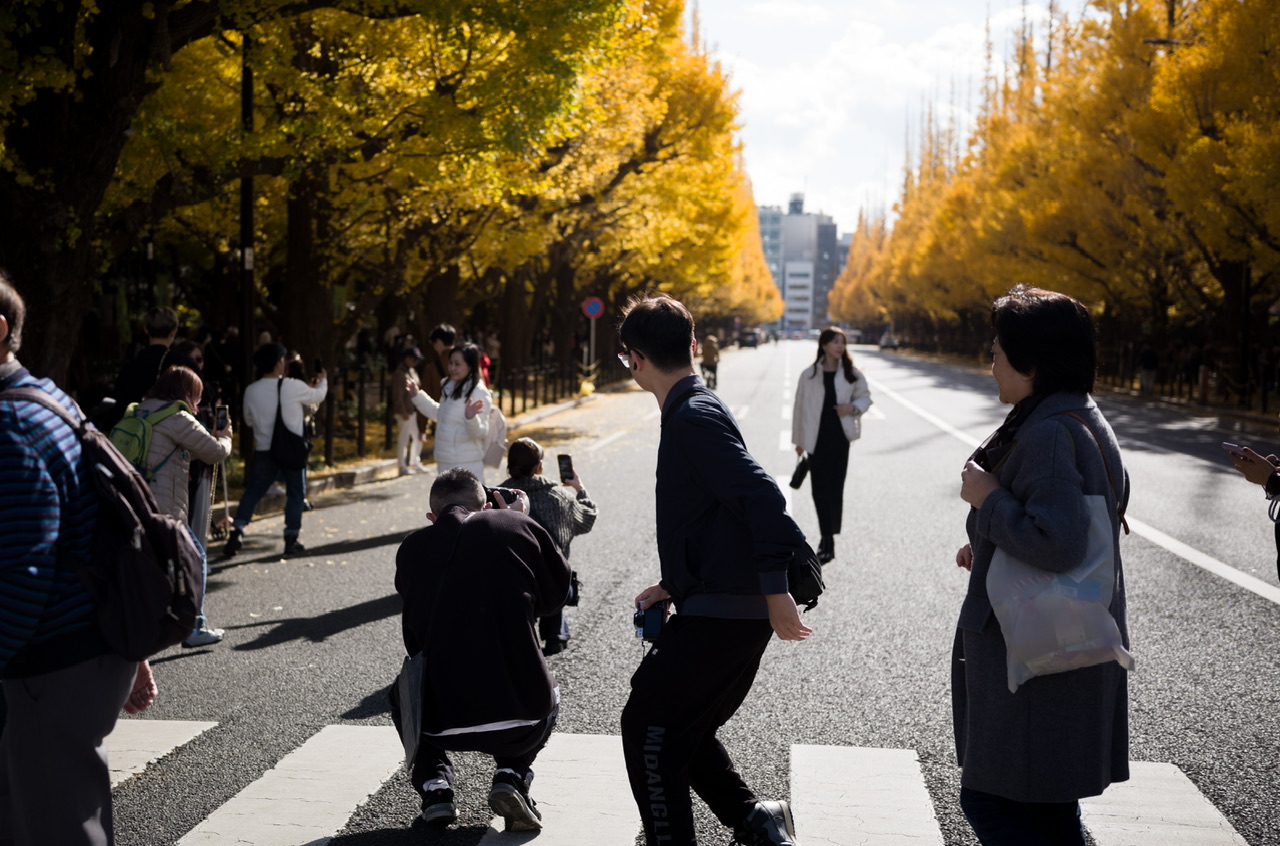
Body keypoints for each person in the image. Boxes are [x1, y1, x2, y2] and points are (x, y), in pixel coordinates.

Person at [616, 294, 811, 846]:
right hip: (721, 601)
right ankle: (755, 820)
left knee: (649, 729)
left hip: (732, 609)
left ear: (634, 359)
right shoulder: (695, 406)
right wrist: (674, 585)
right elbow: (712, 513)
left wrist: (776, 592)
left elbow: (763, 499)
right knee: (681, 726)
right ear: (695, 345)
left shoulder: (693, 417)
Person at [953, 285, 1130, 846]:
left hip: (1031, 661)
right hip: (1056, 647)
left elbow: (1058, 543)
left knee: (994, 800)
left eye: (1000, 350)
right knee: (1047, 807)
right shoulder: (1079, 413)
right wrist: (989, 541)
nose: (992, 361)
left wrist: (989, 502)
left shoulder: (1050, 431)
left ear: (1031, 362)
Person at [0, 274, 158, 846]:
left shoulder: (10, 424)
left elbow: (22, 570)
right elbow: (100, 528)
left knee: (55, 828)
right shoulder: (49, 398)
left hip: (50, 655)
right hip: (83, 645)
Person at [391, 468, 570, 831]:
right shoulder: (515, 526)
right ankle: (511, 773)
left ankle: (435, 788)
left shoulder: (411, 547)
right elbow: (555, 598)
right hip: (521, 716)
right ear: (487, 505)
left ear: (432, 516)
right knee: (550, 689)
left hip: (438, 724)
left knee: (400, 692)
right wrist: (518, 520)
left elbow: (413, 638)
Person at [135, 365, 233, 647]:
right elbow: (214, 453)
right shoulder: (177, 417)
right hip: (164, 505)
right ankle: (193, 627)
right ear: (186, 393)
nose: (198, 403)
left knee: (148, 566)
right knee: (196, 559)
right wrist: (225, 435)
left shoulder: (140, 410)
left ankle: (143, 624)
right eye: (197, 397)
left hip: (135, 500)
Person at [223, 343, 328, 558]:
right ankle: (291, 538)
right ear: (279, 362)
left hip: (264, 451)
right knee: (295, 494)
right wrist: (323, 380)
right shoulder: (290, 386)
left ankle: (238, 530)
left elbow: (249, 421)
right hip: (292, 450)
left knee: (253, 492)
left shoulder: (251, 390)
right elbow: (317, 396)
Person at [500, 437, 597, 656]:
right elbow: (587, 519)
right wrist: (580, 489)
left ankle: (523, 639)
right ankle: (555, 636)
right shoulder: (559, 496)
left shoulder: (498, 496)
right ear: (539, 466)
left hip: (510, 578)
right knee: (554, 565)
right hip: (553, 582)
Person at [791, 327, 873, 563]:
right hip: (815, 440)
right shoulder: (808, 375)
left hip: (839, 439)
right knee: (819, 490)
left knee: (834, 489)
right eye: (835, 342)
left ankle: (829, 540)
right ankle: (826, 536)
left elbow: (866, 397)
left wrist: (852, 407)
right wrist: (799, 441)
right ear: (824, 344)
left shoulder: (851, 373)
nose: (840, 346)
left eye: (843, 343)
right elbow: (799, 408)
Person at [405, 342, 492, 478]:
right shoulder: (449, 387)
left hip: (467, 466)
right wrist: (417, 396)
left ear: (470, 366)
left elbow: (480, 433)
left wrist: (470, 418)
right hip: (445, 462)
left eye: (457, 364)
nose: (452, 368)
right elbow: (439, 414)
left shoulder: (478, 392)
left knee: (466, 500)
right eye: (450, 363)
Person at [111, 305, 180, 424]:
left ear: (146, 329)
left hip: (134, 433)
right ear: (174, 331)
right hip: (174, 433)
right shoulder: (183, 365)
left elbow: (118, 407)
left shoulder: (129, 367)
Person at [393, 347, 429, 475]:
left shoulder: (412, 371)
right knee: (403, 439)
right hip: (405, 412)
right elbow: (397, 394)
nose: (415, 362)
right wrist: (402, 410)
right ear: (407, 358)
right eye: (414, 359)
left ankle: (414, 461)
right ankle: (401, 466)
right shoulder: (399, 373)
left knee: (418, 436)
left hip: (413, 410)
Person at [423, 324, 457, 402]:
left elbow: (425, 398)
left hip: (440, 412)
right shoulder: (468, 361)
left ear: (438, 341)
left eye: (433, 343)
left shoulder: (431, 368)